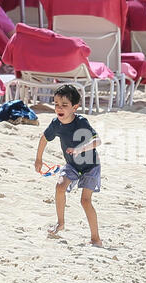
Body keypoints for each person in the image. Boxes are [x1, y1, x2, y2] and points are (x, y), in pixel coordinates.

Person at [35, 85, 103, 247]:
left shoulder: (81, 123)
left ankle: (96, 238)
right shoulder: (56, 124)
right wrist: (38, 159)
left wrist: (80, 148)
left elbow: (97, 141)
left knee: (85, 201)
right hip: (72, 165)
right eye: (56, 104)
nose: (59, 108)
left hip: (90, 167)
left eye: (64, 105)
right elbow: (44, 138)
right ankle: (61, 223)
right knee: (60, 187)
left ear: (75, 107)